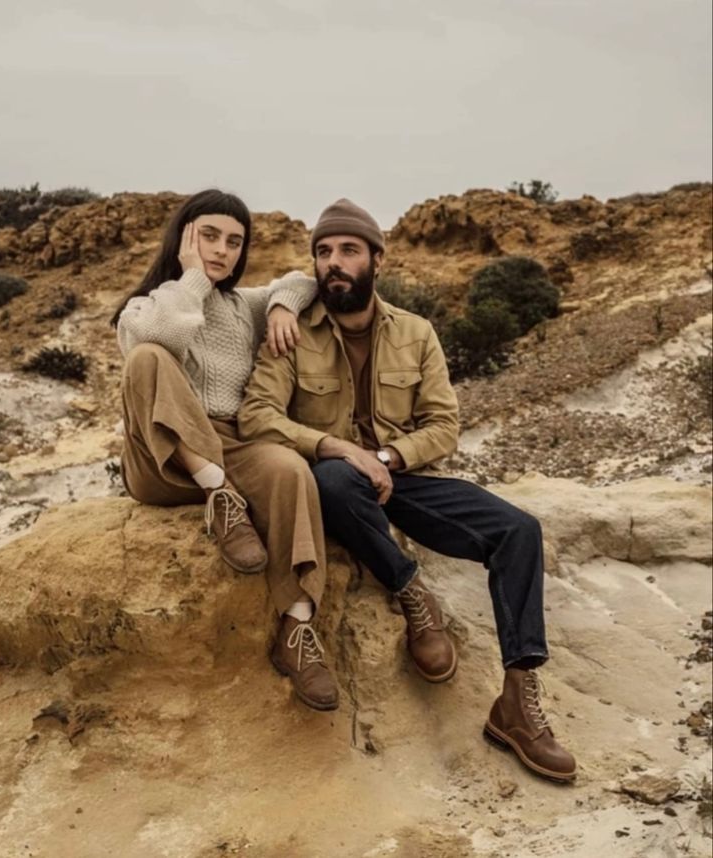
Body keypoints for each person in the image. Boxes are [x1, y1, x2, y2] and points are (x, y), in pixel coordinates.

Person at [237, 198, 576, 781]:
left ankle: (517, 700)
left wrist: (388, 458)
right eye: (323, 252)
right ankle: (410, 589)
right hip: (334, 478)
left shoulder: (417, 333)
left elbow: (444, 423)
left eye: (347, 250)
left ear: (377, 259)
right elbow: (256, 416)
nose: (333, 263)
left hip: (404, 478)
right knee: (334, 479)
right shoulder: (290, 331)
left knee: (519, 531)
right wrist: (339, 448)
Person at [111, 189, 338, 711]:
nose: (222, 250)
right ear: (183, 238)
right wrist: (191, 275)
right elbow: (162, 337)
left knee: (290, 470)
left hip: (234, 445)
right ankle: (221, 499)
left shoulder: (244, 306)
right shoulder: (146, 304)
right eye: (209, 236)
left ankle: (297, 630)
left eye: (234, 242)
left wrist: (280, 306)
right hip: (164, 458)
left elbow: (304, 281)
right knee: (147, 358)